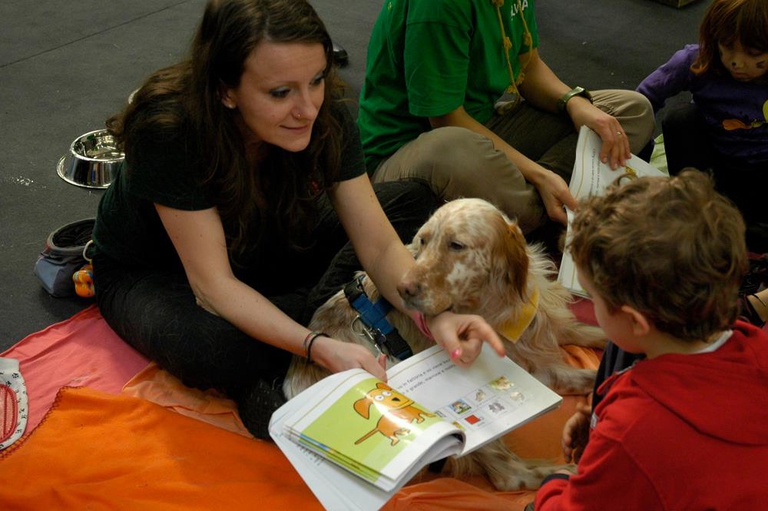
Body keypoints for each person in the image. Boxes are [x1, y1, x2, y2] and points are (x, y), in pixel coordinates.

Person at [89, 0, 504, 440]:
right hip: (163, 275)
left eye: (317, 80)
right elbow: (212, 288)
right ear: (226, 90)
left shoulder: (325, 115)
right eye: (280, 93)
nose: (307, 108)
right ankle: (316, 323)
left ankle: (297, 332)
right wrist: (318, 347)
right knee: (217, 347)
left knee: (412, 201)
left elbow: (379, 245)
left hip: (269, 241)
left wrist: (433, 315)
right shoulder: (170, 129)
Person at [532, 170, 768, 509]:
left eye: (593, 298)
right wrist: (605, 425)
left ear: (634, 321)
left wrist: (556, 481)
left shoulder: (634, 429)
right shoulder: (755, 348)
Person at [357, 0, 655, 242]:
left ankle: (543, 205)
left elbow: (529, 67)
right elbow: (447, 120)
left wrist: (573, 102)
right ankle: (545, 203)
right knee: (453, 148)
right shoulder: (439, 7)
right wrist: (538, 174)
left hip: (481, 128)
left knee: (631, 110)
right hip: (406, 152)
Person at [636, 0, 768, 323]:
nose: (738, 63)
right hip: (716, 174)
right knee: (682, 121)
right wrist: (633, 159)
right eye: (728, 49)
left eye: (756, 58)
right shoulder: (695, 61)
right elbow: (642, 101)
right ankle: (706, 229)